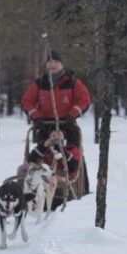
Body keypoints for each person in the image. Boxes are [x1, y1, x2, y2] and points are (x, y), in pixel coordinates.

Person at [21, 50, 91, 181]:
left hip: (67, 124)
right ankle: (42, 178)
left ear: (62, 64)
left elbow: (84, 99)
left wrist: (72, 115)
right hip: (45, 125)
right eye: (49, 62)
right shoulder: (40, 83)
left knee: (72, 152)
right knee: (44, 151)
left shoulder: (72, 82)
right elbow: (27, 101)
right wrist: (36, 116)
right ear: (46, 65)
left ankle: (73, 179)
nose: (52, 65)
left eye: (56, 62)